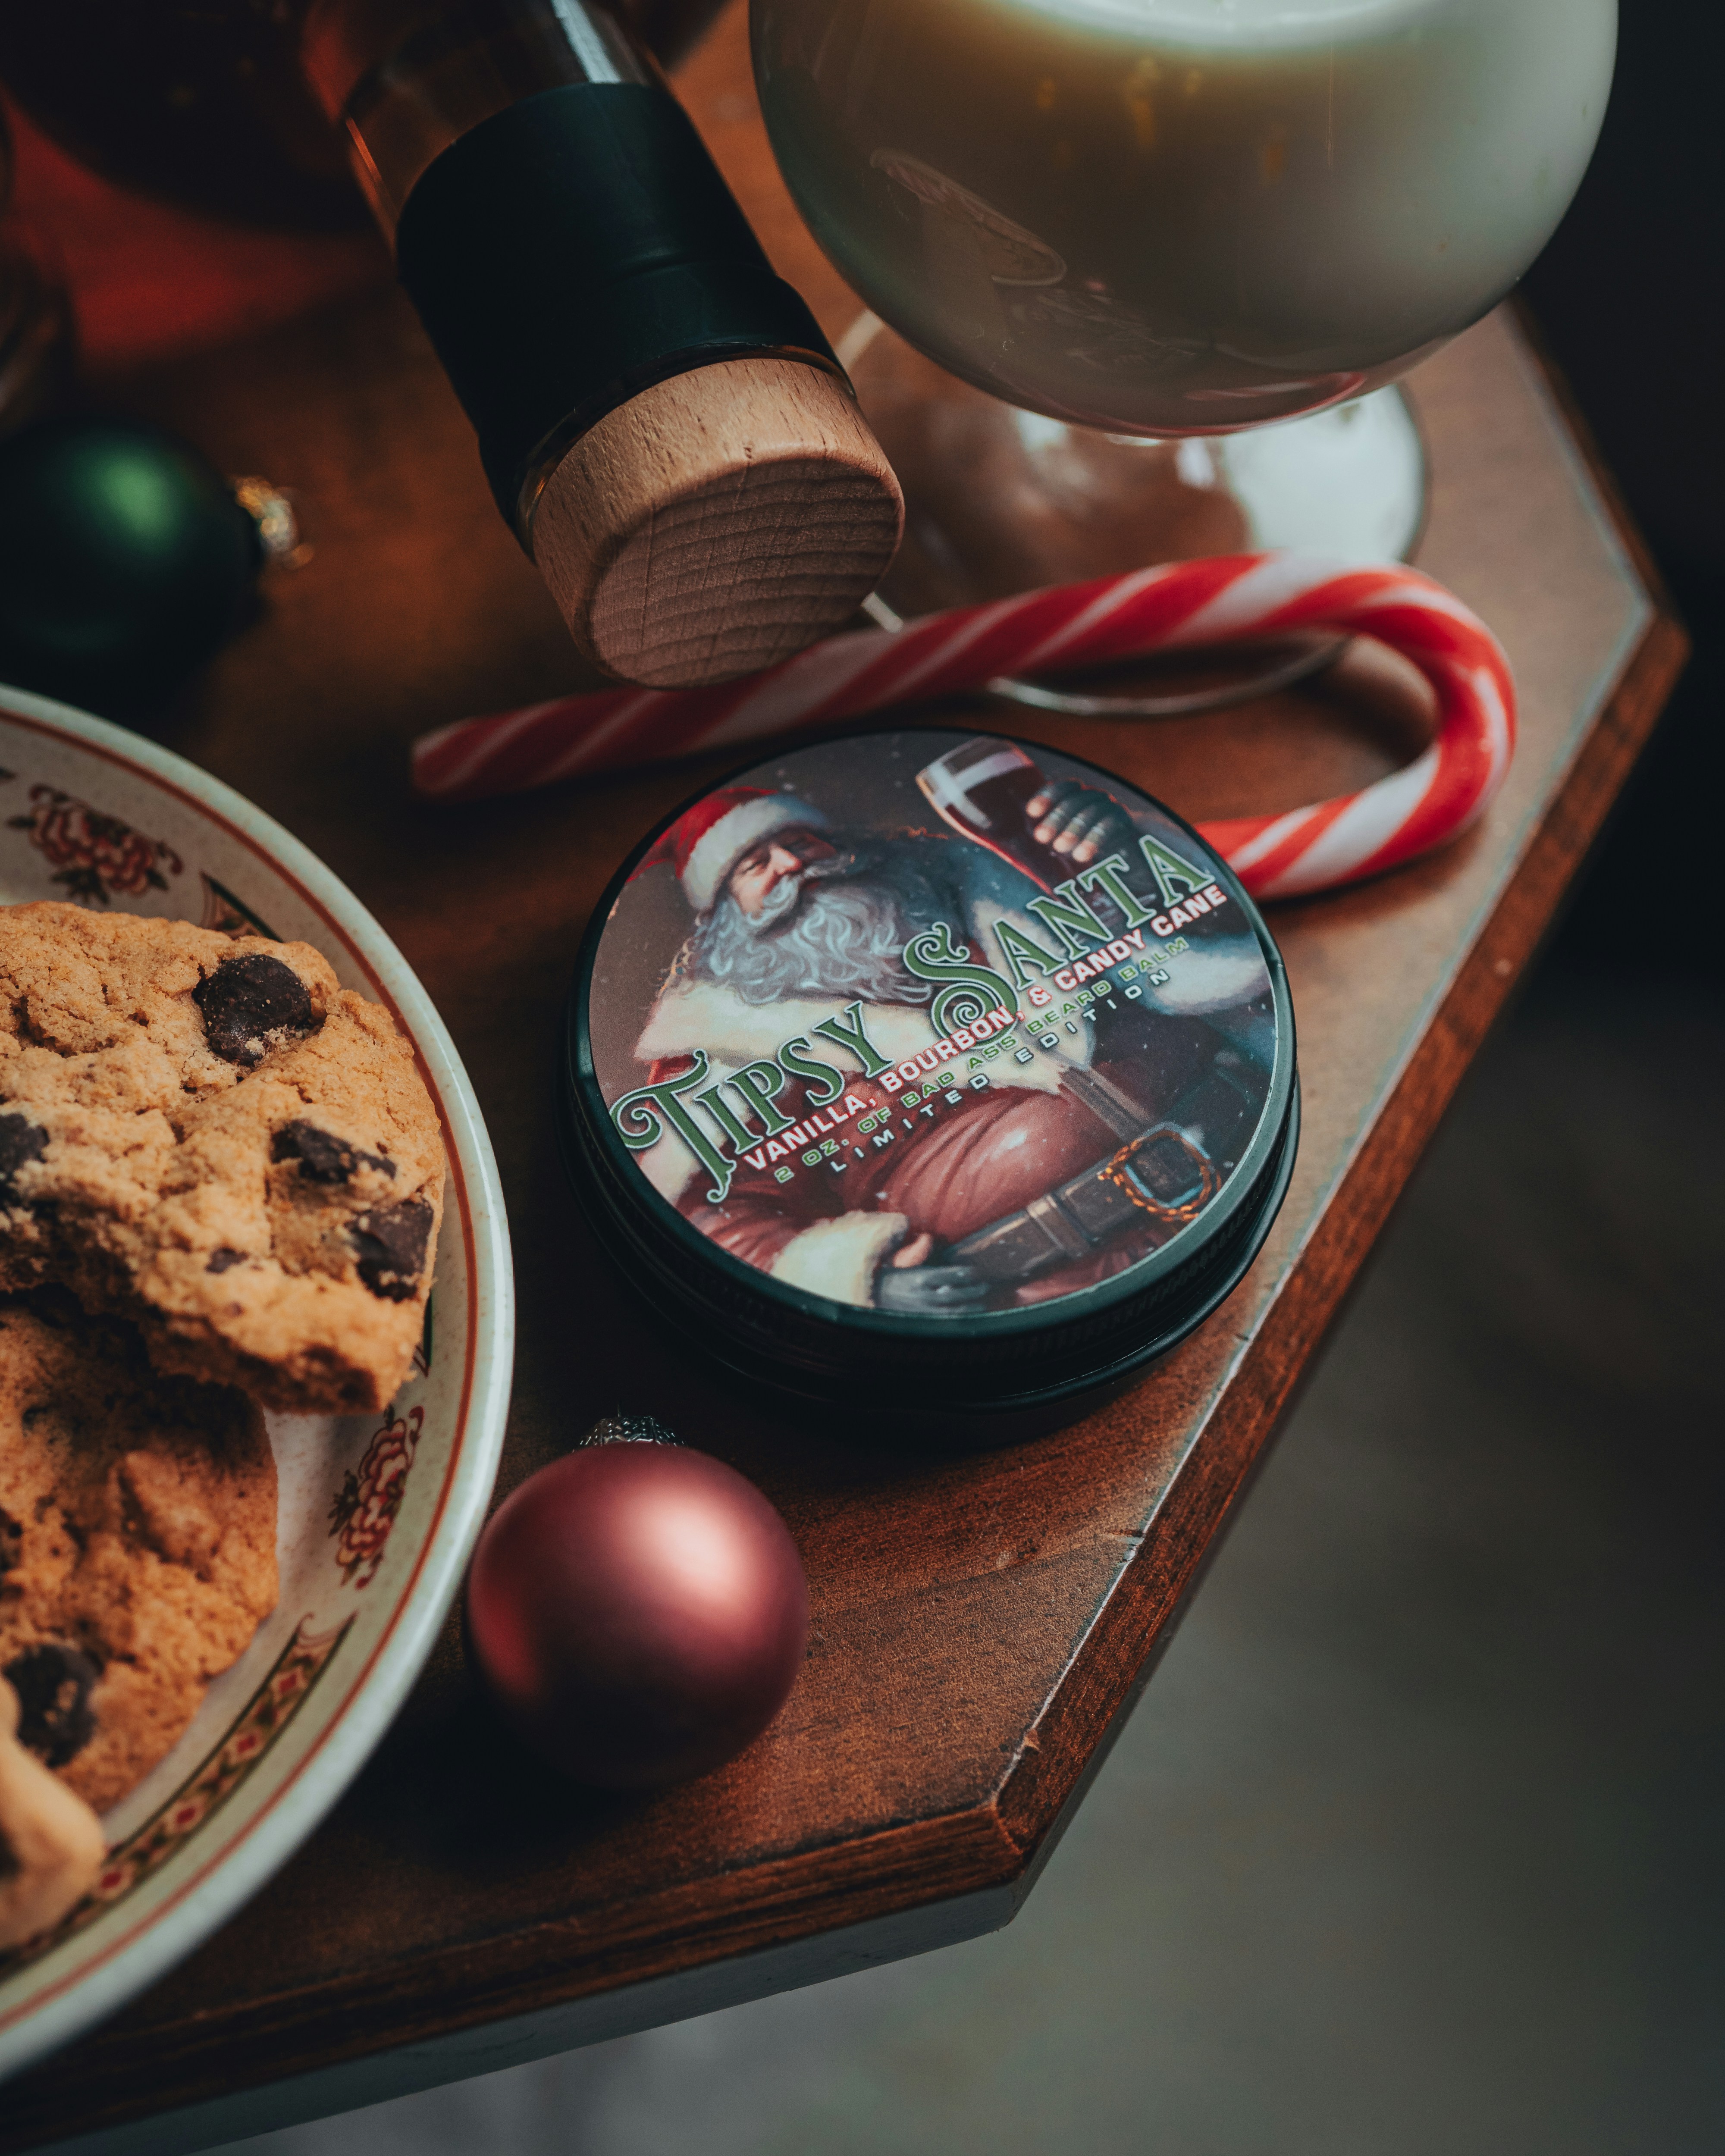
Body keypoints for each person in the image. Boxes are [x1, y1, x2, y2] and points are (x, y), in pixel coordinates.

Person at [628, 778, 1273, 1313]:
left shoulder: (985, 877)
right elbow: (716, 1215)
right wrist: (860, 1285)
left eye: (799, 841)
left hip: (1244, 1158)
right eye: (754, 866)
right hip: (1052, 1289)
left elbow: (1209, 961)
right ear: (726, 918)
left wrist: (1121, 859)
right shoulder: (725, 1049)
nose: (793, 865)